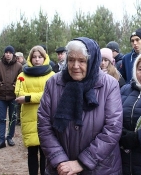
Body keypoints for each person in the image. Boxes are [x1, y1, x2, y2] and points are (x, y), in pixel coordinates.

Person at [37, 37, 123, 175]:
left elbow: (112, 129)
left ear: (93, 61)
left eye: (82, 61)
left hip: (100, 169)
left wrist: (82, 162)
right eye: (71, 60)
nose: (75, 66)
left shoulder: (109, 85)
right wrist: (60, 161)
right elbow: (44, 125)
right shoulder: (53, 83)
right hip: (60, 170)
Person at [15, 45, 54, 175]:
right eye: (34, 57)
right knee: (31, 152)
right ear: (30, 58)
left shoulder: (52, 75)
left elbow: (51, 95)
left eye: (40, 57)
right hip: (28, 117)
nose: (37, 59)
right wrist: (37, 96)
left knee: (45, 152)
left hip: (46, 117)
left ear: (44, 57)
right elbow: (18, 94)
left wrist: (28, 98)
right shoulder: (22, 75)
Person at [0, 45, 22, 150]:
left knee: (12, 118)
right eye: (6, 52)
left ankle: (10, 138)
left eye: (10, 52)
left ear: (13, 54)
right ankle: (1, 140)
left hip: (13, 96)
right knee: (2, 119)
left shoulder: (18, 66)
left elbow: (22, 79)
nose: (8, 54)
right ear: (4, 53)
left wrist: (16, 85)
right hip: (1, 96)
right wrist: (0, 83)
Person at [14, 51, 27, 126]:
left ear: (22, 58)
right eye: (16, 58)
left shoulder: (25, 66)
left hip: (24, 88)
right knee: (18, 105)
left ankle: (21, 119)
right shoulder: (17, 65)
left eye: (18, 58)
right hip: (18, 87)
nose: (17, 60)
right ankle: (18, 119)